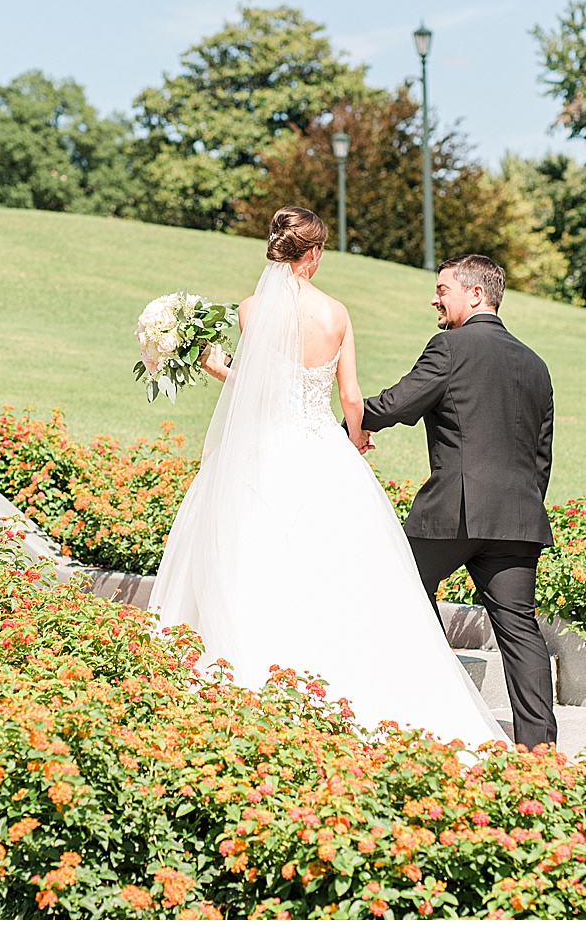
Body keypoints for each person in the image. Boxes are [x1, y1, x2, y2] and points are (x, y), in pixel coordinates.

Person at [150, 207, 506, 750]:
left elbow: (258, 388)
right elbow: (351, 397)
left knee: (252, 557)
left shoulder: (252, 310)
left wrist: (218, 368)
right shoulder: (336, 314)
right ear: (313, 254)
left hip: (262, 452)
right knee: (335, 563)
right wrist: (356, 438)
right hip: (319, 448)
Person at [354, 255, 559, 751]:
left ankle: (420, 711)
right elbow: (541, 454)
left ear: (475, 295)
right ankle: (540, 751)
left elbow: (399, 403)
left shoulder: (449, 346)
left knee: (398, 586)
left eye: (442, 289)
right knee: (520, 632)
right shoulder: (535, 363)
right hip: (519, 519)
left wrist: (343, 428)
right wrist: (523, 507)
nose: (434, 298)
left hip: (455, 513)